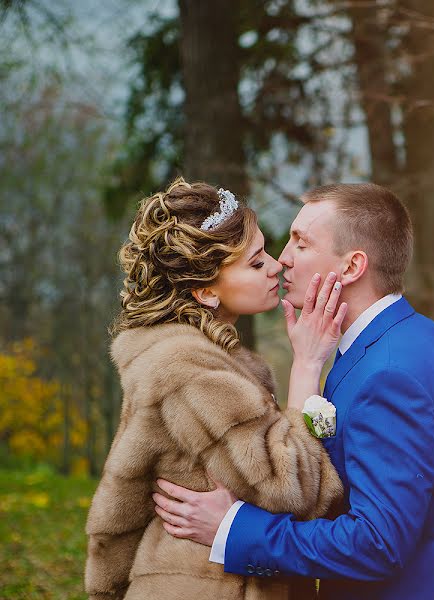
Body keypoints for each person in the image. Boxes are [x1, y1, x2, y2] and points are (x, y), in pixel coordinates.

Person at [153, 183, 434, 599]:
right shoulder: (412, 338)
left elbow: (377, 544)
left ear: (352, 267)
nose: (282, 258)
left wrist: (233, 528)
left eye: (301, 242)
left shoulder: (389, 375)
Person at [84, 178, 345, 600]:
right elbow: (295, 491)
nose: (277, 266)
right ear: (206, 292)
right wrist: (308, 366)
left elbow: (122, 501)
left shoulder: (192, 359)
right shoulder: (189, 370)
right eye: (256, 263)